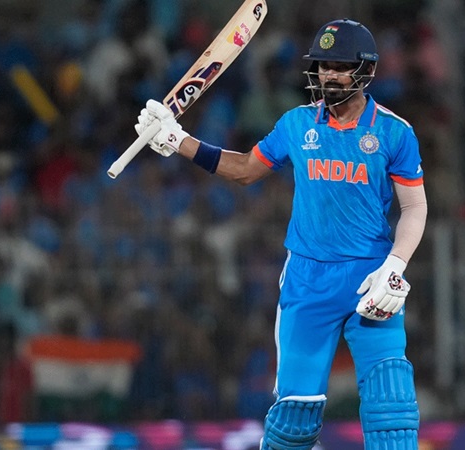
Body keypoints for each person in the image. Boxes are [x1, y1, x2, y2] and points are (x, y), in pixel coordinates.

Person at [134, 18, 428, 450]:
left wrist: (395, 265)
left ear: (366, 70)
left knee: (391, 407)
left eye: (340, 66)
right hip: (308, 279)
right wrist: (179, 140)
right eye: (323, 65)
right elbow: (245, 170)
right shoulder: (296, 123)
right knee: (294, 417)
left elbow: (415, 207)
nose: (328, 75)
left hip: (371, 275)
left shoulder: (394, 131)